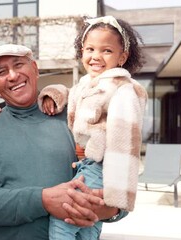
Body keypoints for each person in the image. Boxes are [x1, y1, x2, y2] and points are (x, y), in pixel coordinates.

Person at [0, 43, 125, 240]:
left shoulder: (75, 115)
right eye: (2, 72)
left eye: (19, 64)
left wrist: (107, 209)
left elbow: (119, 186)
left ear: (35, 69)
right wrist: (43, 200)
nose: (13, 76)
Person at [39, 16, 148, 239]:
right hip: (85, 165)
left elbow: (125, 143)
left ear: (122, 57)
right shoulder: (89, 84)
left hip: (100, 168)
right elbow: (71, 95)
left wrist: (115, 196)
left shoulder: (124, 89)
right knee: (88, 227)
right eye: (90, 49)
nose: (96, 56)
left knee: (64, 217)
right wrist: (53, 94)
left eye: (106, 50)